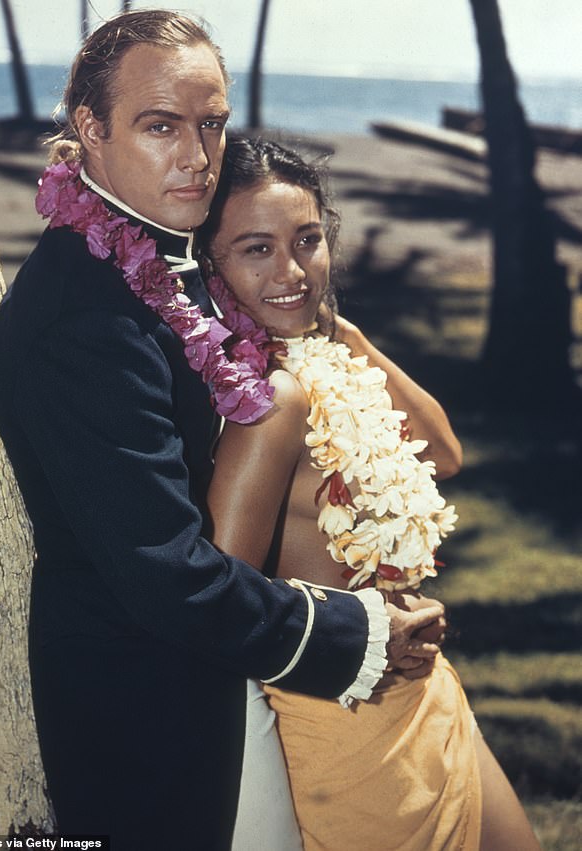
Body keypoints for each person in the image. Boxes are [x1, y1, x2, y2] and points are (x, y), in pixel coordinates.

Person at [0, 11, 446, 850]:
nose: (198, 157)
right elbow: (171, 578)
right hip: (157, 715)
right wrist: (361, 630)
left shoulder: (157, 262)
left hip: (225, 668)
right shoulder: (81, 319)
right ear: (90, 129)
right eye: (161, 126)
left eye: (212, 123)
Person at [201, 136, 542, 851]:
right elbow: (217, 598)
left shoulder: (327, 359)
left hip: (427, 690)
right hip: (349, 723)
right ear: (210, 266)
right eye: (255, 249)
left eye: (308, 241)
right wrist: (366, 625)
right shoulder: (270, 402)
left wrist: (346, 334)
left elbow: (444, 453)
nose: (292, 271)